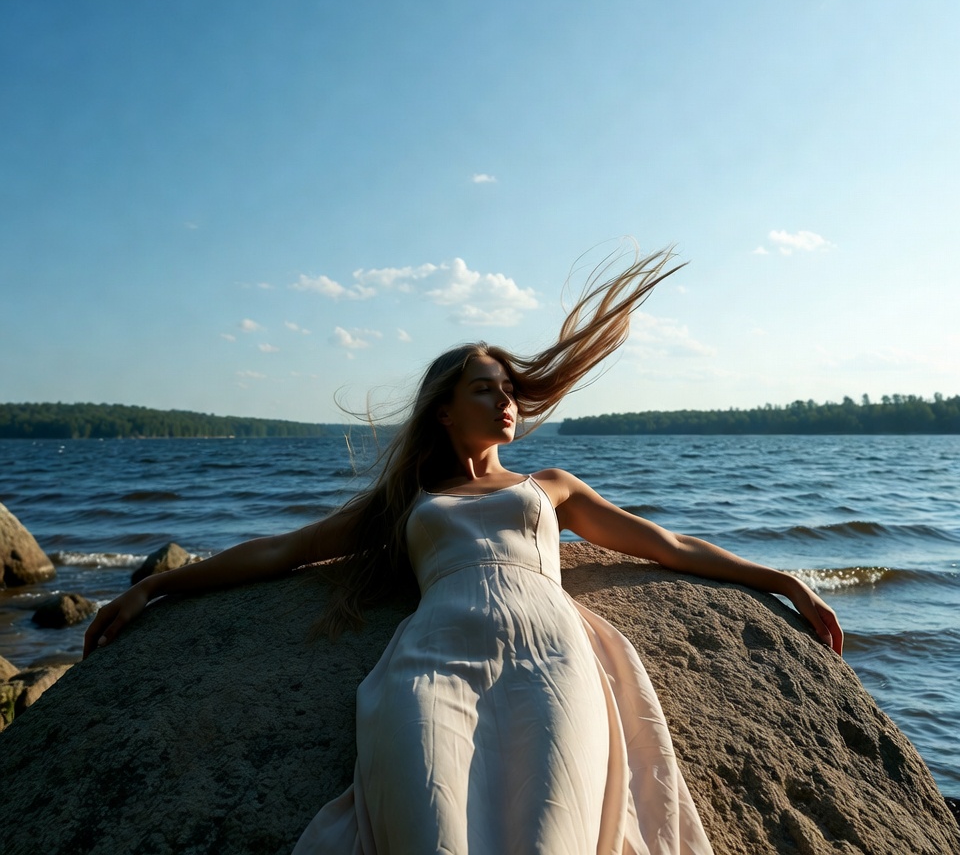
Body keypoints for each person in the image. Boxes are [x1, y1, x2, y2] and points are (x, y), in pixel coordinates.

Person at [84, 244, 843, 855]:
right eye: (485, 388)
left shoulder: (552, 488)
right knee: (429, 831)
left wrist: (783, 580)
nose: (506, 399)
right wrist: (156, 587)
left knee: (558, 834)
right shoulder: (407, 502)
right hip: (434, 661)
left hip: (553, 659)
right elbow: (285, 549)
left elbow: (666, 543)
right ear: (444, 409)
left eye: (509, 388)